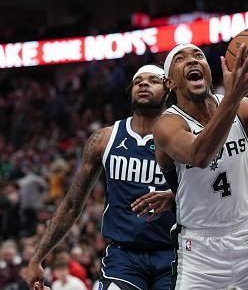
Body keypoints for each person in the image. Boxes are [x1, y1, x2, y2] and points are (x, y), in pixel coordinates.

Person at [143, 43, 248, 289]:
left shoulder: (244, 107)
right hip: (199, 252)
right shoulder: (167, 125)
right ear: (170, 82)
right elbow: (199, 155)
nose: (192, 60)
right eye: (180, 59)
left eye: (198, 55)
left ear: (209, 71)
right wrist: (233, 97)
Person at [26, 65, 176, 290]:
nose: (144, 84)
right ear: (130, 91)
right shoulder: (105, 139)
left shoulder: (181, 137)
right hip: (124, 256)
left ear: (168, 90)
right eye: (138, 81)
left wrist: (174, 196)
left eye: (153, 80)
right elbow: (71, 205)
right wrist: (38, 257)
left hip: (174, 252)